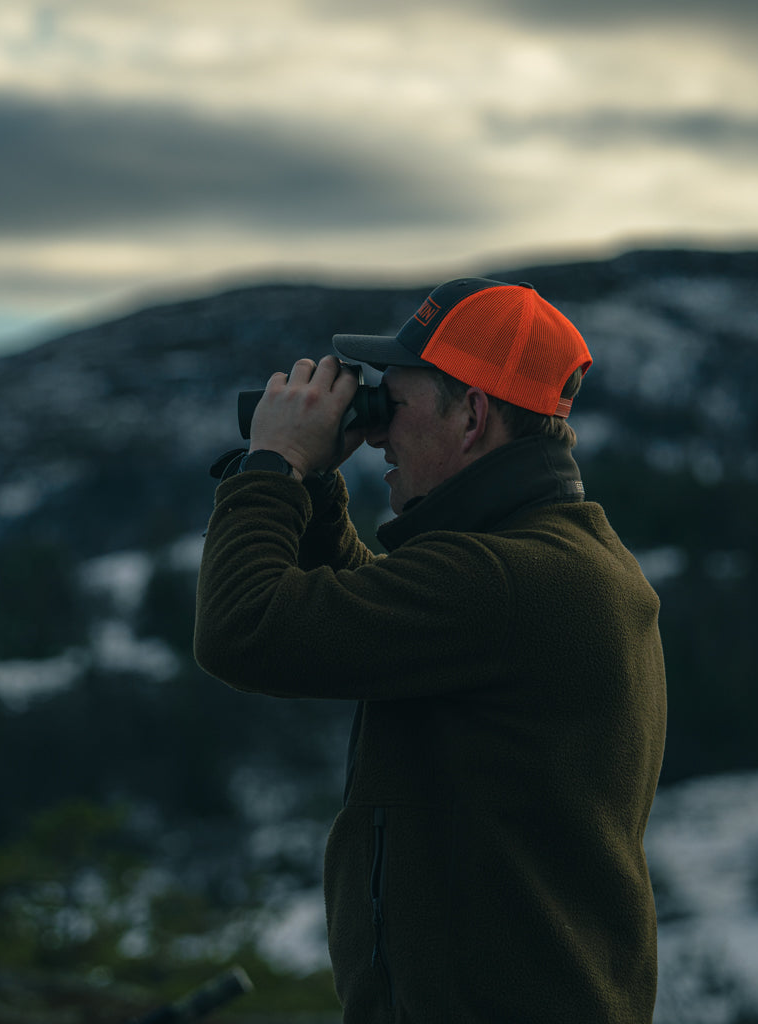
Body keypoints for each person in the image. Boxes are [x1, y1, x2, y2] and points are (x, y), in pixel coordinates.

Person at [194, 277, 667, 1023]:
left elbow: (243, 629)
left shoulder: (506, 580)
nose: (376, 432)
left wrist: (274, 466)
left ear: (473, 414)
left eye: (396, 403)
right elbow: (375, 613)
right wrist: (316, 487)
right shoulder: (547, 559)